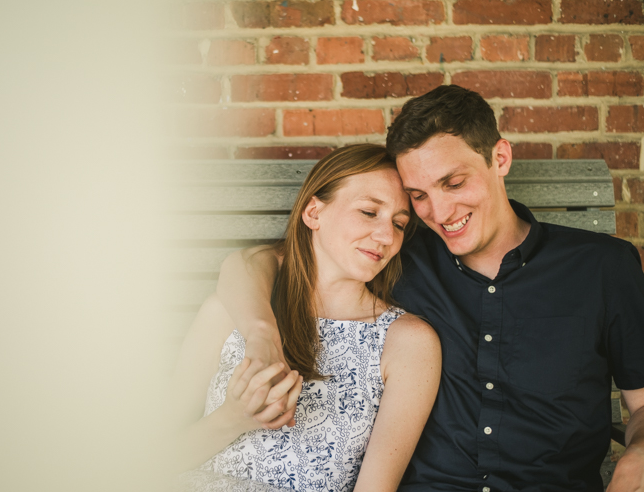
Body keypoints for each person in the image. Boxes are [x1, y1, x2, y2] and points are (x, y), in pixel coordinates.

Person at [215, 85, 644, 492]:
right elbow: (255, 261)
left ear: (500, 157)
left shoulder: (602, 266)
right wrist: (262, 335)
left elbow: (641, 405)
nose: (439, 212)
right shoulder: (397, 251)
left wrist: (638, 455)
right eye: (418, 195)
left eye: (454, 183)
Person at [170, 144, 441, 492]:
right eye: (369, 212)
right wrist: (233, 418)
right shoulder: (233, 309)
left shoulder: (407, 342)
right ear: (314, 213)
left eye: (399, 224)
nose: (387, 237)